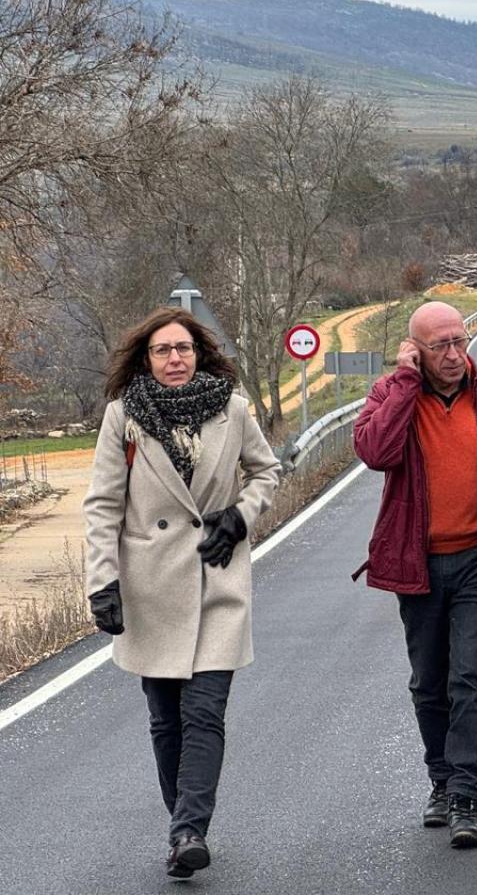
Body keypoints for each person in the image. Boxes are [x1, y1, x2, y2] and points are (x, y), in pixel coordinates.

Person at [83, 308, 281, 879]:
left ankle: (189, 830)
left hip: (217, 579)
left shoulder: (232, 409)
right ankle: (183, 825)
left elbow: (266, 472)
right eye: (163, 350)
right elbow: (103, 506)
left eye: (184, 348)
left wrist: (239, 517)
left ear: (200, 354)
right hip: (150, 588)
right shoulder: (123, 417)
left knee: (204, 712)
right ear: (145, 359)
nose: (175, 359)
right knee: (166, 720)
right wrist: (102, 582)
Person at [352, 301, 477, 848]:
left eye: (459, 341)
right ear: (415, 350)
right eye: (439, 345)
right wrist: (405, 383)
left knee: (470, 678)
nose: (453, 354)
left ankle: (466, 794)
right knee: (429, 681)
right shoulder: (390, 393)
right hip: (417, 559)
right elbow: (376, 452)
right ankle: (441, 782)